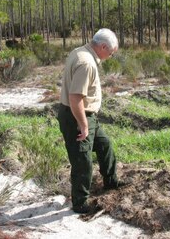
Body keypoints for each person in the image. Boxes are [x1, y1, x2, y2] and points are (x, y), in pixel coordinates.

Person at [57, 28, 126, 214]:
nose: (110, 56)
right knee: (83, 161)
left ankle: (111, 182)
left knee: (105, 146)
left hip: (86, 115)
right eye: (110, 53)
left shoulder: (80, 51)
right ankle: (80, 203)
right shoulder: (86, 63)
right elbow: (75, 98)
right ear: (103, 46)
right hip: (77, 117)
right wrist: (83, 125)